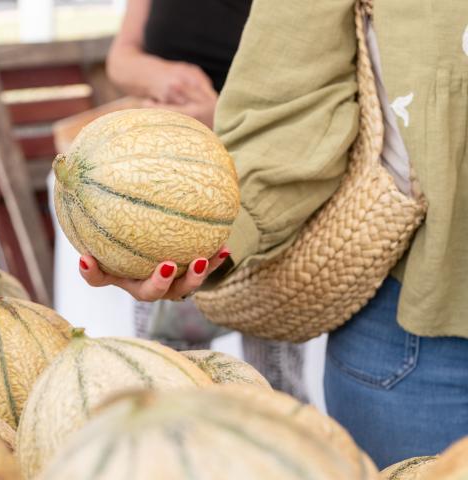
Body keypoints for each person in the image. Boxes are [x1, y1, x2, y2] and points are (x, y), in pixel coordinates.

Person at [82, 0, 468, 470]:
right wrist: (201, 238)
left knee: (271, 384)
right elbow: (288, 113)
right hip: (418, 333)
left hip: (413, 340)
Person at [104, 0, 308, 401]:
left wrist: (222, 116)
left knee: (274, 385)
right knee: (166, 374)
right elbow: (121, 58)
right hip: (161, 185)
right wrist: (163, 75)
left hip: (260, 183)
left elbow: (310, 87)